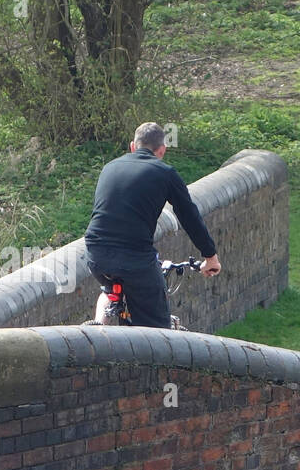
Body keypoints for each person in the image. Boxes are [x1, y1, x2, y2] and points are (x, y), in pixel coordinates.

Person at [83, 121, 221, 328]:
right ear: (162, 151)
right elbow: (189, 216)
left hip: (96, 254)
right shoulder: (165, 173)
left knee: (109, 289)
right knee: (157, 331)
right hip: (135, 259)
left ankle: (98, 329)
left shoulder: (109, 167)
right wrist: (210, 256)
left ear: (132, 146)